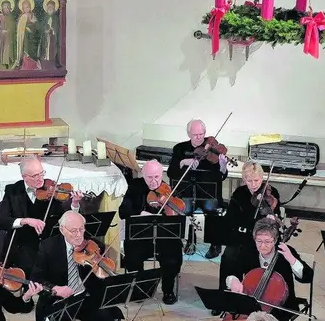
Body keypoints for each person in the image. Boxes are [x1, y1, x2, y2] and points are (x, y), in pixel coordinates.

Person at [32, 211, 122, 321]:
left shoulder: (93, 245)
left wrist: (101, 269)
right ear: (62, 230)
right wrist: (55, 288)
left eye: (82, 229)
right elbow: (36, 279)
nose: (79, 234)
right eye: (73, 231)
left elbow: (100, 280)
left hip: (85, 298)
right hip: (57, 300)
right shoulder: (48, 247)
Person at [117, 159, 184, 305]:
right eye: (149, 177)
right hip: (140, 236)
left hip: (165, 237)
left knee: (172, 258)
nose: (153, 181)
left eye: (157, 177)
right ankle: (140, 288)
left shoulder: (169, 190)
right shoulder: (134, 187)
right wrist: (139, 213)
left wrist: (169, 209)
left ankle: (168, 290)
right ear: (143, 175)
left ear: (161, 174)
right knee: (132, 257)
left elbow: (180, 215)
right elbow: (123, 211)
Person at [224, 217, 310, 321]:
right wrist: (233, 280)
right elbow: (233, 270)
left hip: (279, 308)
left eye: (267, 242)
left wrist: (292, 260)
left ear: (275, 240)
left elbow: (308, 277)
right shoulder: (248, 251)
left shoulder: (286, 252)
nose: (262, 246)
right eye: (259, 241)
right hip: (250, 302)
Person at [0, 156, 70, 274]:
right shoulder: (13, 191)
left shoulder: (52, 191)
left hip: (46, 245)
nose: (40, 179)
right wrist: (25, 220)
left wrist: (75, 203)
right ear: (24, 177)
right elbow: (0, 221)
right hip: (22, 246)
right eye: (35, 176)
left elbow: (64, 218)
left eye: (42, 173)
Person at [168, 119, 230, 258]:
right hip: (187, 192)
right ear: (188, 134)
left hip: (208, 193)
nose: (199, 138)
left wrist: (223, 166)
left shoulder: (212, 149)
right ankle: (191, 240)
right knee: (184, 209)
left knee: (211, 209)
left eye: (202, 134)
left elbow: (221, 176)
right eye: (195, 135)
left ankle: (215, 243)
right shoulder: (180, 149)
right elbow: (171, 172)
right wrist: (183, 162)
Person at [220, 162, 283, 290]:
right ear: (244, 180)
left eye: (257, 180)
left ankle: (258, 291)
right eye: (249, 181)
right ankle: (229, 293)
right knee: (229, 257)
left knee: (264, 255)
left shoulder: (271, 192)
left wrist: (272, 219)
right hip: (243, 235)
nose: (254, 185)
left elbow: (277, 216)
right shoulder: (239, 193)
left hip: (263, 236)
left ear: (262, 178)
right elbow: (231, 218)